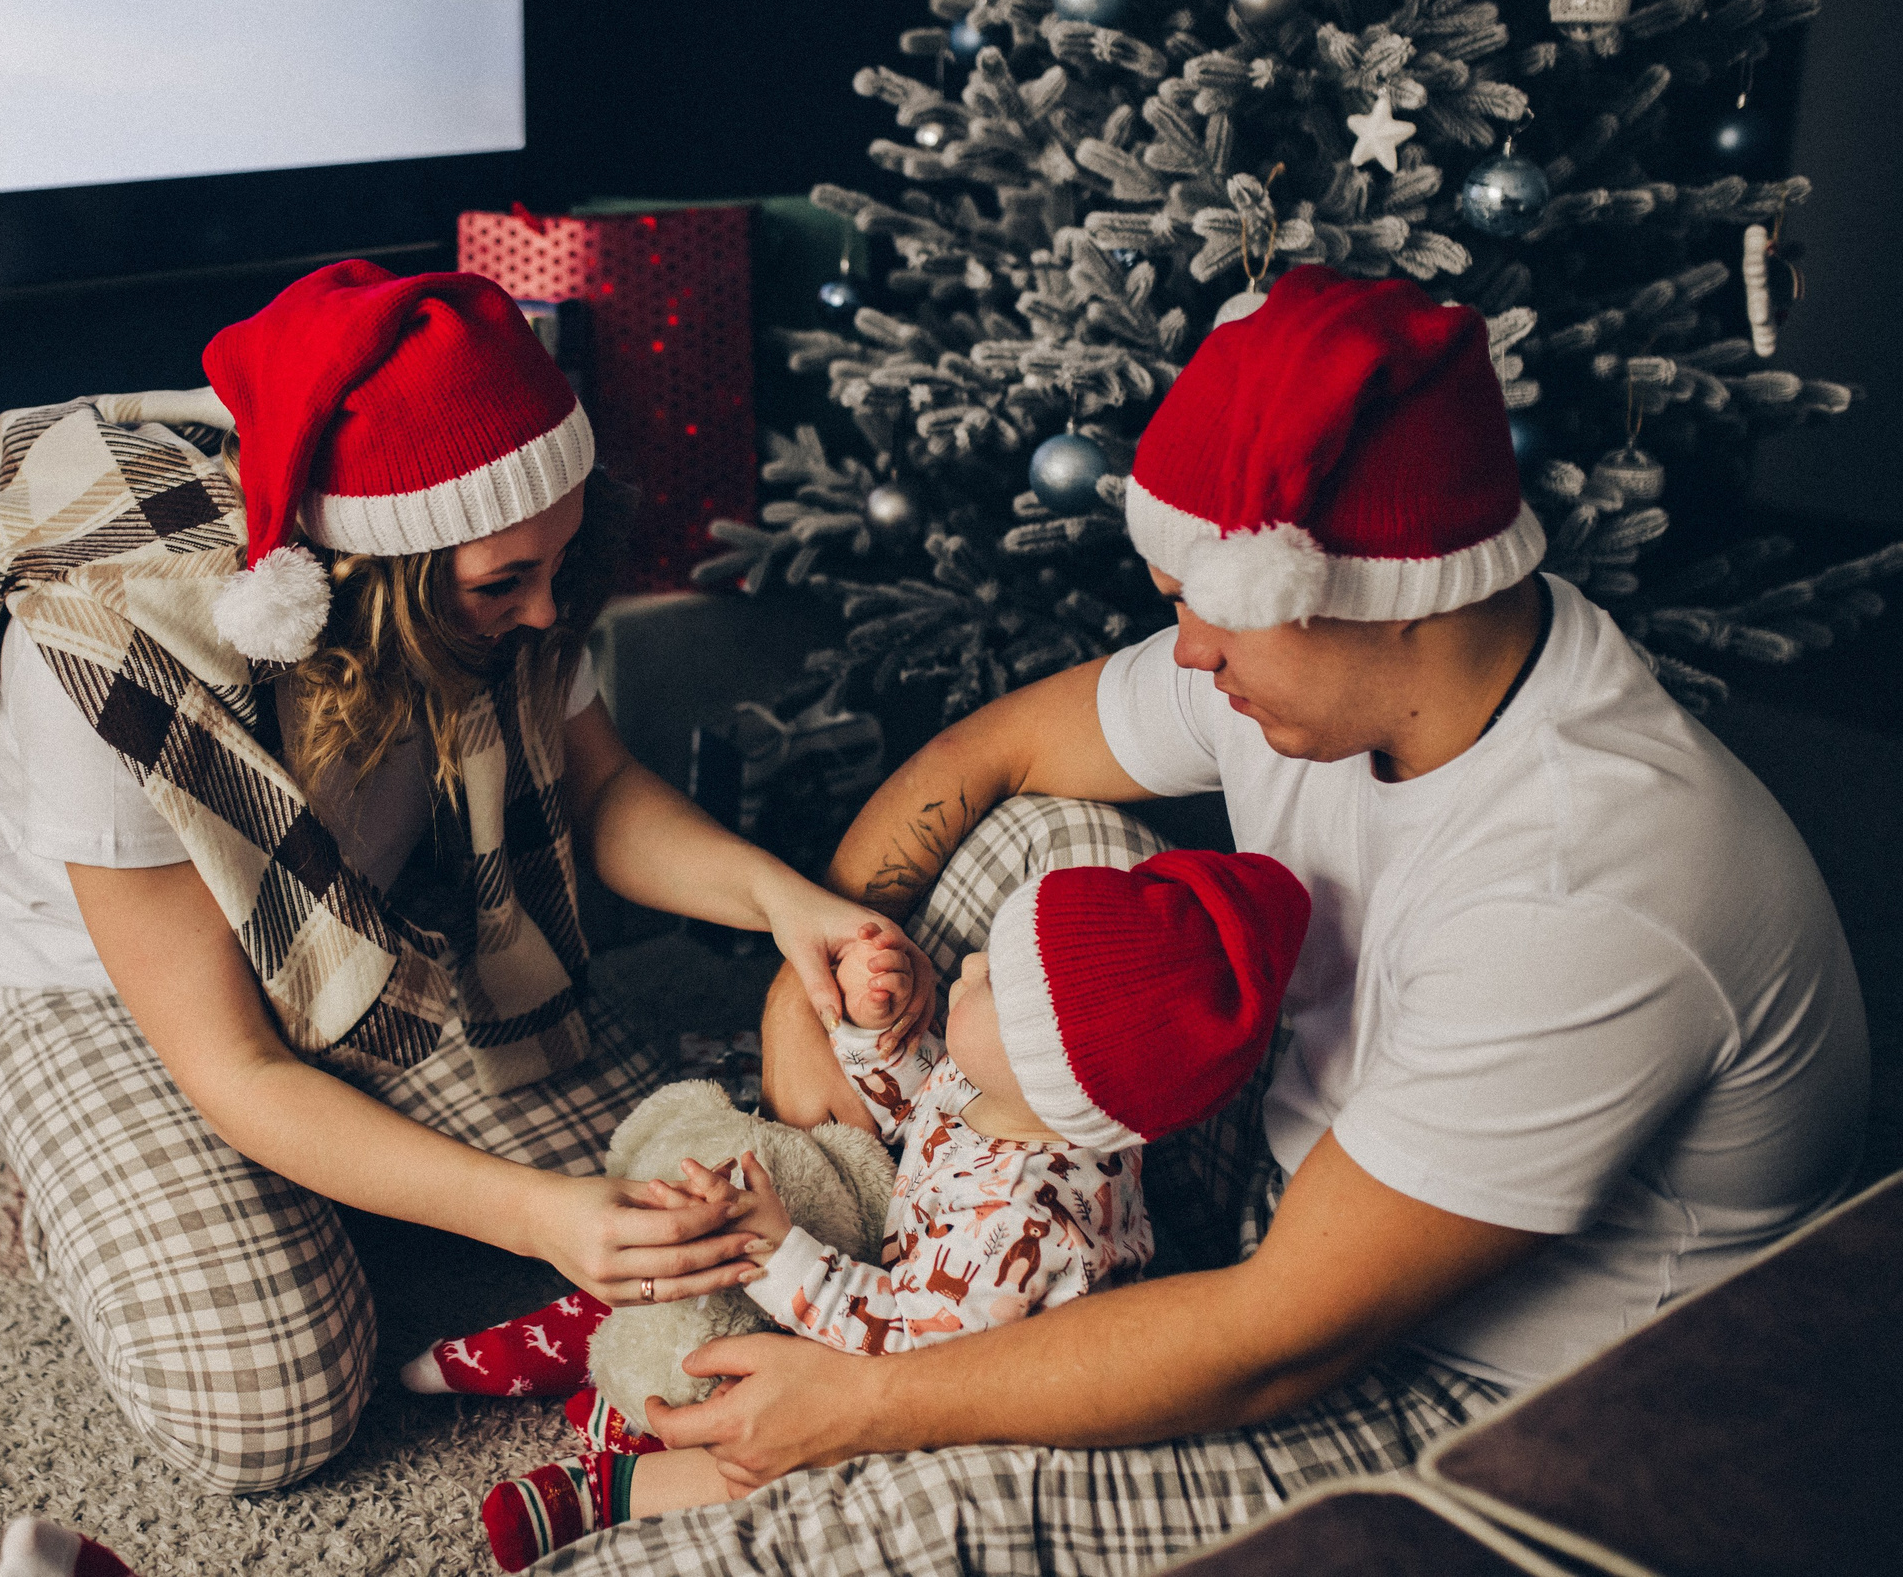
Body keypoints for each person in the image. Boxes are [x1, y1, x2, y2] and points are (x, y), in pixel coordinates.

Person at [539, 266, 1869, 1576]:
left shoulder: (1584, 891)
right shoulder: (1321, 666)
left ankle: (832, 1404)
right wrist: (809, 967)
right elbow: (991, 751)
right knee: (1035, 837)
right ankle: (913, 1243)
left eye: (1206, 609)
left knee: (894, 1516)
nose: (1187, 652)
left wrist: (871, 1402)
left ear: (1378, 600)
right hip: (1296, 1180)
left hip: (1469, 1378)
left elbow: (1276, 1336)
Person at [0, 261, 925, 1495]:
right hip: (95, 986)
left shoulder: (516, 562)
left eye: (560, 566)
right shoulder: (112, 658)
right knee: (267, 1411)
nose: (547, 615)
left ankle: (307, 1185)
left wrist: (782, 900)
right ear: (367, 578)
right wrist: (531, 1215)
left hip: (355, 924)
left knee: (687, 1197)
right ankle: (88, 1203)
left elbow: (601, 794)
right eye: (503, 587)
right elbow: (236, 1063)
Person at [472, 849, 1311, 1571]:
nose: (968, 963)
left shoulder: (1026, 1226)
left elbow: (896, 1352)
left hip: (959, 1395)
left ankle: (619, 1489)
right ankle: (627, 1371)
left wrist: (779, 1253)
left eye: (992, 980)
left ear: (1047, 1068)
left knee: (803, 1461)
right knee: (732, 1278)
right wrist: (874, 1033)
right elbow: (920, 1106)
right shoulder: (1019, 1097)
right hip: (907, 1301)